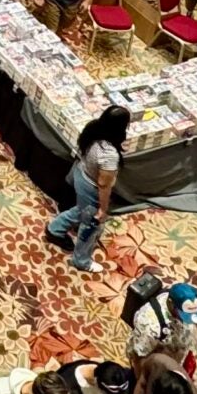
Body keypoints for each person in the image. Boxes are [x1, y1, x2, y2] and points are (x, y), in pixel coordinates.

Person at [46, 106, 129, 272]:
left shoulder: (92, 129)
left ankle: (54, 228)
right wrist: (103, 210)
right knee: (91, 224)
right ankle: (81, 260)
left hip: (81, 172)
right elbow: (104, 185)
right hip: (91, 187)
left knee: (80, 209)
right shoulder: (109, 154)